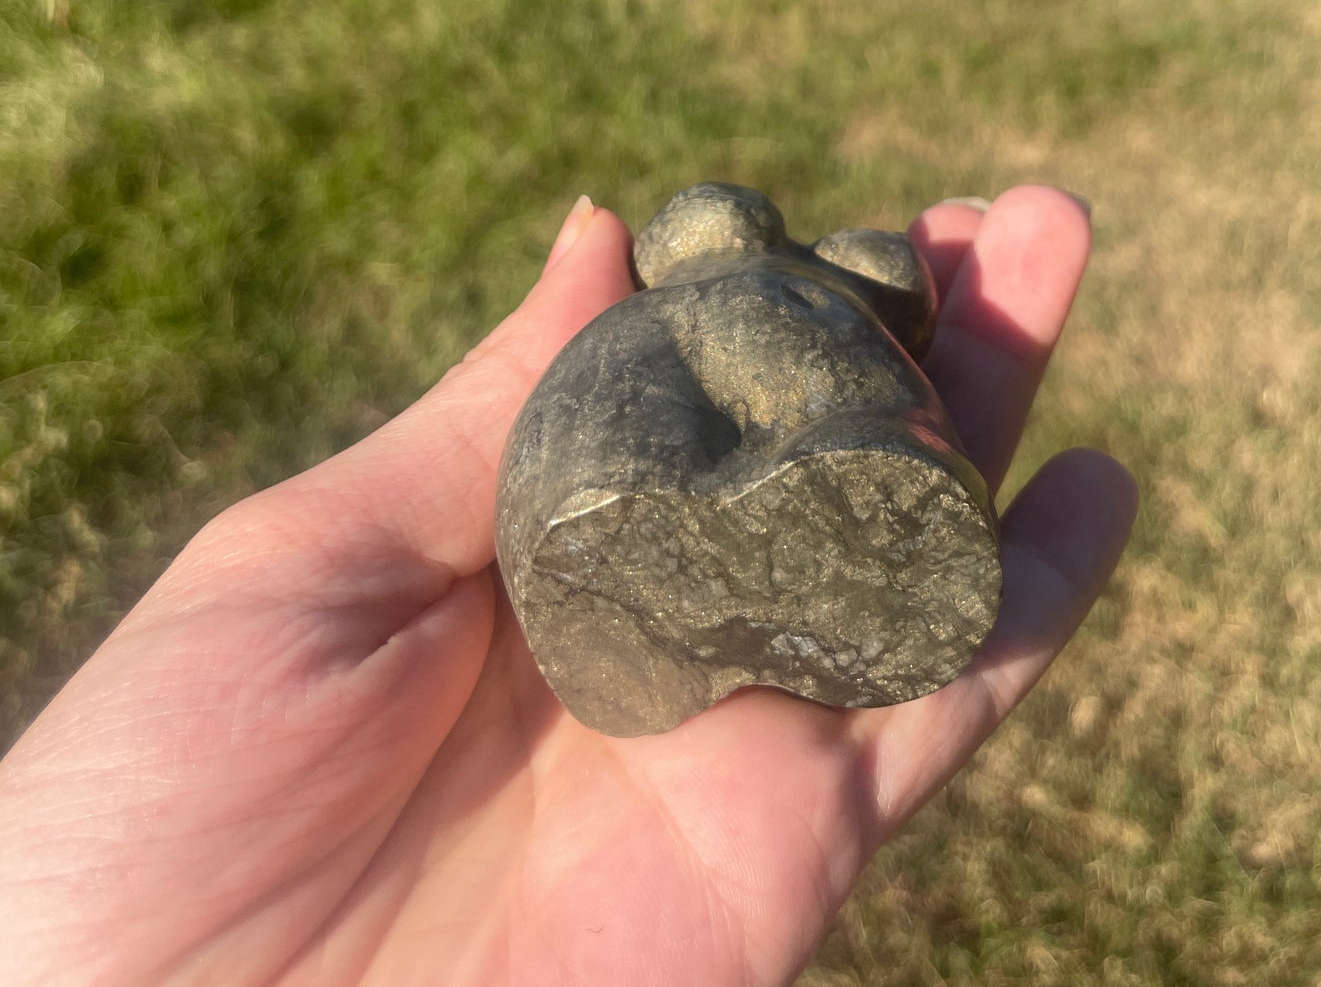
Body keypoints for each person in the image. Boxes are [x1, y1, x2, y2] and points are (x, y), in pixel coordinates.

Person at [0, 187, 1137, 986]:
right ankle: (850, 490)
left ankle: (768, 527)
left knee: (710, 476)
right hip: (641, 447)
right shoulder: (769, 299)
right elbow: (796, 363)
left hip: (592, 474)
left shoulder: (691, 302)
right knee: (826, 419)